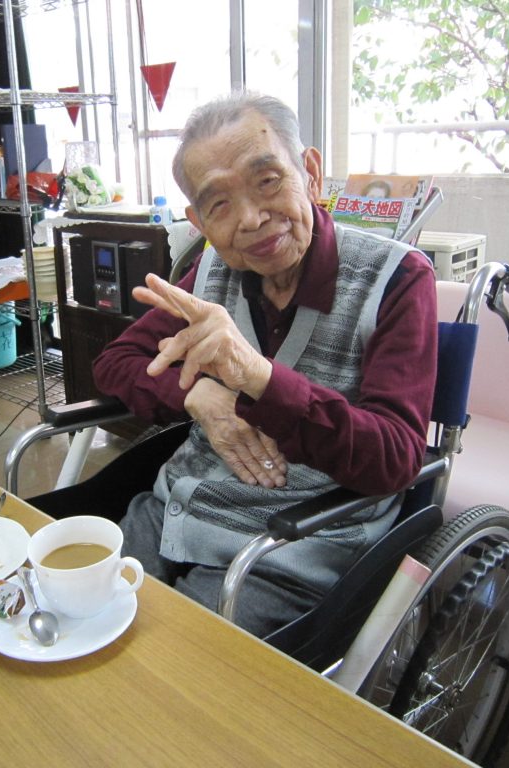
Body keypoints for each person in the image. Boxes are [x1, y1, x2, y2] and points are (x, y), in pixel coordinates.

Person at [92, 92, 437, 636]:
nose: (251, 219)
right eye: (219, 204)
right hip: (174, 515)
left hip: (291, 546)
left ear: (311, 173)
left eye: (268, 181)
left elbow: (395, 458)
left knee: (165, 662)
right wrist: (197, 396)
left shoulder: (396, 279)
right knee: (75, 617)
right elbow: (117, 361)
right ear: (198, 222)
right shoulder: (213, 273)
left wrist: (257, 377)